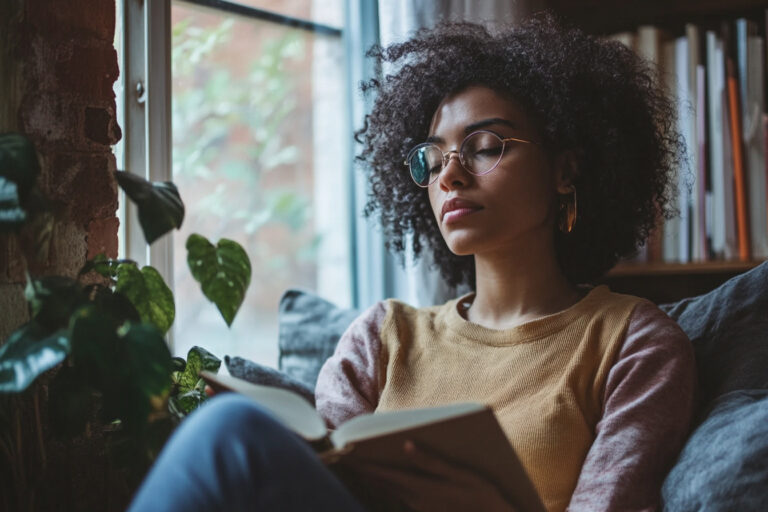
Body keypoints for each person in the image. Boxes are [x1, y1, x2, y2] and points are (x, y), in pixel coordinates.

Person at [129, 14, 696, 512]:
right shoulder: (383, 337)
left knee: (228, 431)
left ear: (565, 170)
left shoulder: (632, 343)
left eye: (485, 145)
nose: (449, 174)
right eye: (433, 156)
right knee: (228, 428)